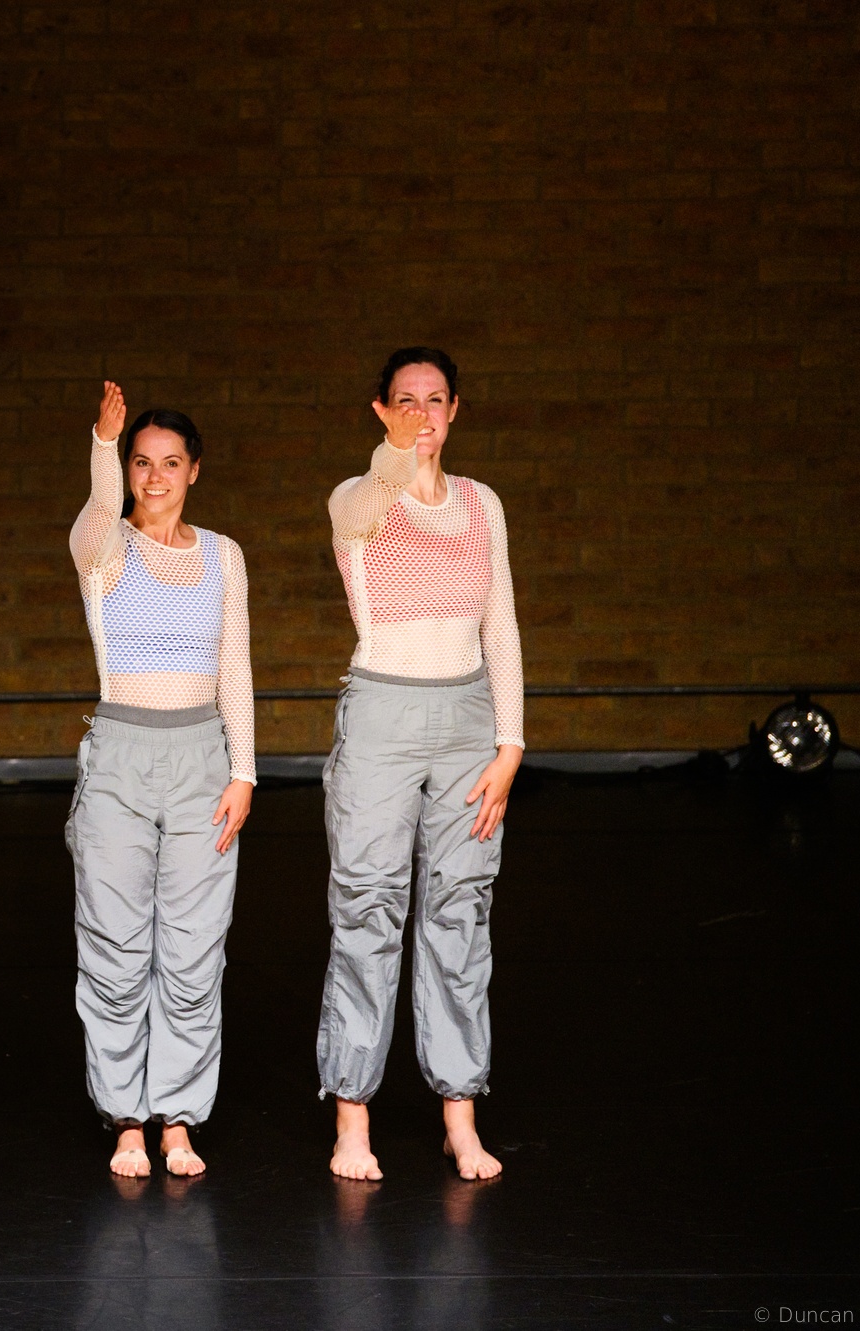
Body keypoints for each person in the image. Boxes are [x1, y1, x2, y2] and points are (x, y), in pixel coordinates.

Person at [316, 347, 522, 1183]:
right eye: (405, 401)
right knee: (367, 906)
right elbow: (376, 492)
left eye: (436, 400)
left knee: (460, 911)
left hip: (468, 717)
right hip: (383, 715)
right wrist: (396, 450)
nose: (422, 414)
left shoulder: (482, 503)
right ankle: (352, 1118)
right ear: (381, 411)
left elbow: (500, 623)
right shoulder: (356, 498)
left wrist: (511, 743)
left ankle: (460, 1117)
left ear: (455, 408)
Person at [66, 382, 256, 1180]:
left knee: (193, 946)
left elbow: (234, 665)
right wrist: (102, 444)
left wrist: (244, 770)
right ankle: (127, 1120)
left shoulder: (223, 554)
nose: (154, 476)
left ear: (194, 470)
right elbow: (95, 511)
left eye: (169, 462)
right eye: (141, 462)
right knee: (114, 942)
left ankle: (178, 1116)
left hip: (202, 756)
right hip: (120, 754)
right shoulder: (103, 546)